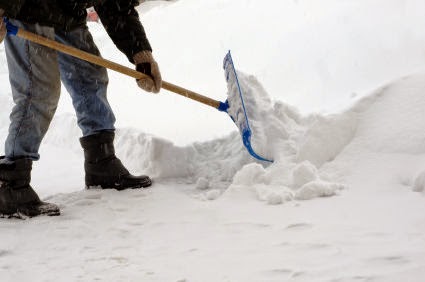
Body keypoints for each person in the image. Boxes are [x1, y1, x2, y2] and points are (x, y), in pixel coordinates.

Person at [0, 1, 162, 217]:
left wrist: (141, 53)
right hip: (27, 10)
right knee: (38, 91)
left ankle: (101, 162)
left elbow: (116, 5)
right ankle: (11, 184)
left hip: (67, 13)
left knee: (90, 78)